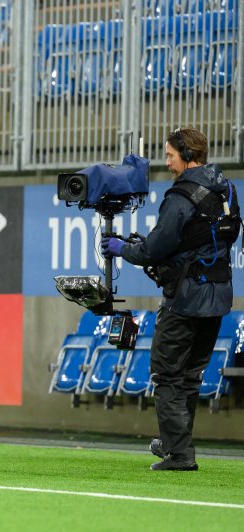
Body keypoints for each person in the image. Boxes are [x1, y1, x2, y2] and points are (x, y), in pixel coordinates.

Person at [101, 127, 240, 472]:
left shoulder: (182, 195)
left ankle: (178, 454)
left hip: (185, 299)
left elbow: (155, 248)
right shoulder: (227, 188)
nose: (166, 161)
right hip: (219, 296)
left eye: (170, 155)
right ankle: (175, 442)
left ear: (187, 155)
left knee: (166, 374)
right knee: (190, 375)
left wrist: (123, 248)